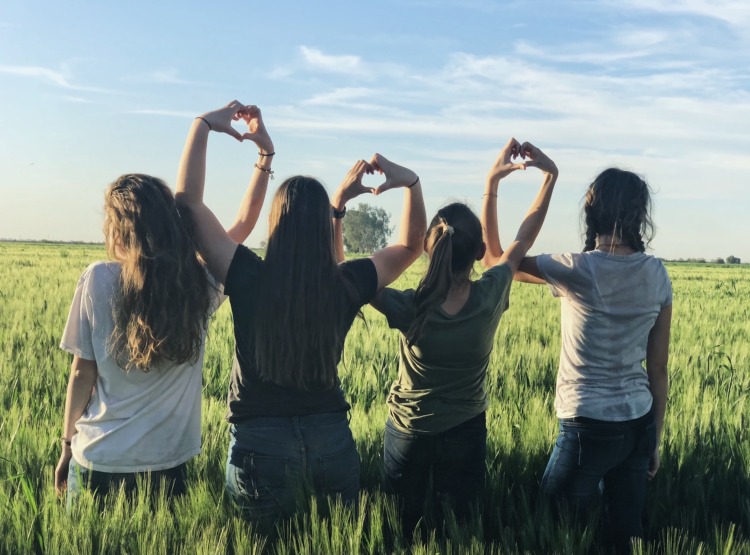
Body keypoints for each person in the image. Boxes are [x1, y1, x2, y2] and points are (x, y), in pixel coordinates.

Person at [174, 101, 426, 527]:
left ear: (276, 224)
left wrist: (202, 126)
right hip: (332, 441)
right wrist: (411, 184)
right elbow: (411, 244)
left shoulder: (247, 275)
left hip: (259, 445)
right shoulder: (345, 283)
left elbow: (187, 206)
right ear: (321, 226)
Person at [54, 105, 273, 507]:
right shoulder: (197, 284)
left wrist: (67, 443)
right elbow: (243, 224)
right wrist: (263, 157)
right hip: (167, 466)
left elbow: (81, 372)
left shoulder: (98, 279)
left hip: (99, 459)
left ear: (117, 229)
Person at [370, 138, 558, 534]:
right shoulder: (490, 294)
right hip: (466, 430)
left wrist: (338, 208)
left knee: (401, 530)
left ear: (428, 249)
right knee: (461, 529)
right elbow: (522, 238)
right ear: (478, 252)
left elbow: (350, 280)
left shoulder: (411, 306)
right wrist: (544, 178)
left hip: (409, 430)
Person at [518, 167, 672, 553]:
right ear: (640, 214)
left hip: (586, 424)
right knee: (624, 537)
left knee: (552, 524)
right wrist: (654, 438)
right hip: (638, 423)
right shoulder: (657, 274)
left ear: (593, 212)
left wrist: (503, 182)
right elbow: (658, 369)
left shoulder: (577, 268)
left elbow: (497, 259)